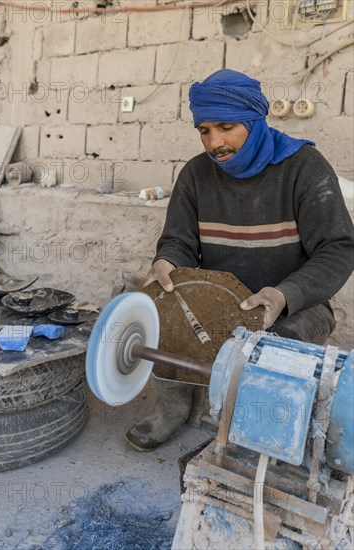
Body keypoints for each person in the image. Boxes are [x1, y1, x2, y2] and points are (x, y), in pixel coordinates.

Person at [125, 69, 354, 452]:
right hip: (214, 303)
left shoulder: (305, 167)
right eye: (204, 130)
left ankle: (264, 436)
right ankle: (173, 410)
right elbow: (179, 242)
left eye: (226, 127)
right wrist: (166, 262)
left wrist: (284, 295)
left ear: (253, 120)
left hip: (293, 307)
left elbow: (338, 249)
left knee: (272, 353)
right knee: (161, 316)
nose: (215, 142)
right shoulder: (196, 175)